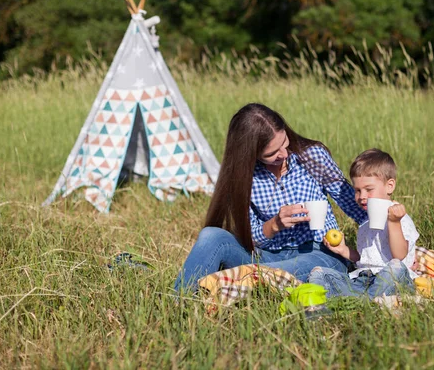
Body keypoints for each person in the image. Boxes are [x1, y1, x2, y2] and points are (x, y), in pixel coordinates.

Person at [174, 103, 367, 292]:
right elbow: (247, 236)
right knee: (211, 235)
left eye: (284, 143)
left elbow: (351, 201)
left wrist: (387, 225)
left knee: (273, 271)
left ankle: (236, 280)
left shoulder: (312, 156)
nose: (283, 154)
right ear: (251, 153)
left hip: (319, 253)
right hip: (266, 255)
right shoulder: (244, 177)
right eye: (272, 153)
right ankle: (180, 299)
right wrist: (274, 224)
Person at [308, 148, 419, 298]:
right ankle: (369, 299)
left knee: (395, 269)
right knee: (319, 274)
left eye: (369, 189)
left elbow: (399, 256)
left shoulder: (399, 217)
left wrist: (394, 223)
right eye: (357, 190)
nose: (362, 196)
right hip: (363, 279)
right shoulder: (366, 221)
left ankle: (359, 301)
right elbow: (366, 258)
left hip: (390, 277)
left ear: (389, 186)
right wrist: (343, 251)